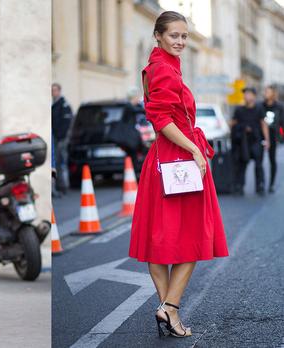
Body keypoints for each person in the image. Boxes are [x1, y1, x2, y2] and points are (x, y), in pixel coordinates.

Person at [128, 11, 229, 338]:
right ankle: (170, 308)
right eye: (174, 36)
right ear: (158, 35)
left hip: (162, 159)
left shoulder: (157, 67)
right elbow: (161, 119)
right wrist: (196, 150)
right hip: (178, 159)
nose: (181, 41)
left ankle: (167, 311)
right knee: (192, 238)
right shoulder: (165, 71)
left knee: (159, 238)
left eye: (184, 36)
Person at [230, 87, 270, 196]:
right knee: (242, 164)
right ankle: (239, 186)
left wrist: (267, 140)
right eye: (245, 94)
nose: (246, 96)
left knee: (258, 165)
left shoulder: (259, 108)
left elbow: (263, 124)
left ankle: (260, 186)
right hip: (243, 142)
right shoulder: (239, 109)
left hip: (256, 140)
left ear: (254, 96)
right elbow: (232, 123)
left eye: (248, 94)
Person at [52, 83, 73, 194]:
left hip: (61, 138)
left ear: (59, 91)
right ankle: (58, 186)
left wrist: (61, 137)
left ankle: (63, 186)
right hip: (55, 137)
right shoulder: (54, 104)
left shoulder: (63, 104)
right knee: (56, 162)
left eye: (55, 90)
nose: (53, 92)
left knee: (61, 162)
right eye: (52, 90)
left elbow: (67, 123)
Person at [263, 84, 284, 193]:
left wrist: (280, 136)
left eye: (268, 91)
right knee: (258, 160)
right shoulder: (261, 105)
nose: (265, 93)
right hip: (261, 136)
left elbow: (282, 122)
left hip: (273, 136)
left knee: (272, 160)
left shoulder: (279, 106)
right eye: (265, 91)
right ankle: (260, 183)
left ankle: (271, 184)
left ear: (273, 94)